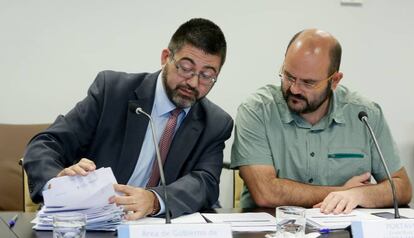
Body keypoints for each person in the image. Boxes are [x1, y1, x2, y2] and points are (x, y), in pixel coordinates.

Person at [23, 18, 233, 220]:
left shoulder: (215, 123)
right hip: (93, 222)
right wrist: (57, 181)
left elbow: (206, 182)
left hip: (156, 228)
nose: (194, 83)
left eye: (207, 75)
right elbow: (45, 145)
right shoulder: (112, 91)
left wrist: (155, 200)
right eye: (186, 68)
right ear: (165, 58)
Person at [230, 29, 412, 214]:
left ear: (334, 80)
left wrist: (361, 195)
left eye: (308, 83)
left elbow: (402, 187)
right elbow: (265, 193)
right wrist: (343, 192)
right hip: (273, 229)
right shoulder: (257, 111)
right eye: (289, 76)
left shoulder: (365, 115)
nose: (294, 89)